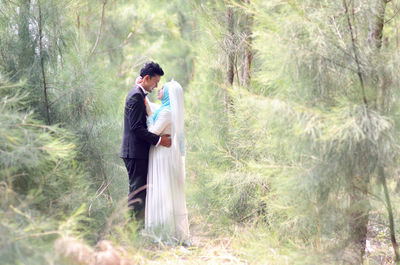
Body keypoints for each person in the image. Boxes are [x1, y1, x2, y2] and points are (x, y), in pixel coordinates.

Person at [120, 62, 171, 219]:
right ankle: (132, 230)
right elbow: (136, 127)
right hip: (134, 152)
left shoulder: (139, 93)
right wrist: (158, 140)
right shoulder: (136, 96)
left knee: (140, 190)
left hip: (137, 152)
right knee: (137, 192)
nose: (156, 86)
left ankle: (137, 227)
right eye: (155, 82)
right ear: (147, 78)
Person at [144, 80, 190, 245]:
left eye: (162, 88)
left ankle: (164, 231)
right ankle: (163, 228)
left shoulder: (167, 113)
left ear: (169, 94)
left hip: (162, 154)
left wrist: (148, 114)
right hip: (164, 151)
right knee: (164, 188)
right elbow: (153, 108)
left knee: (162, 188)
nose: (159, 89)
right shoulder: (166, 110)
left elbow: (152, 131)